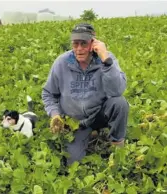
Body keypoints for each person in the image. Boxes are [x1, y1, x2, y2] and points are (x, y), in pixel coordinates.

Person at [41, 23, 129, 165]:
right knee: (73, 162)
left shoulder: (105, 59)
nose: (79, 49)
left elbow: (117, 91)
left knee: (119, 103)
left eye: (84, 43)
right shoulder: (62, 62)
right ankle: (88, 134)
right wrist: (54, 114)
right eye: (75, 44)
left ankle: (118, 147)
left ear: (93, 43)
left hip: (98, 114)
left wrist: (105, 61)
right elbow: (48, 93)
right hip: (75, 122)